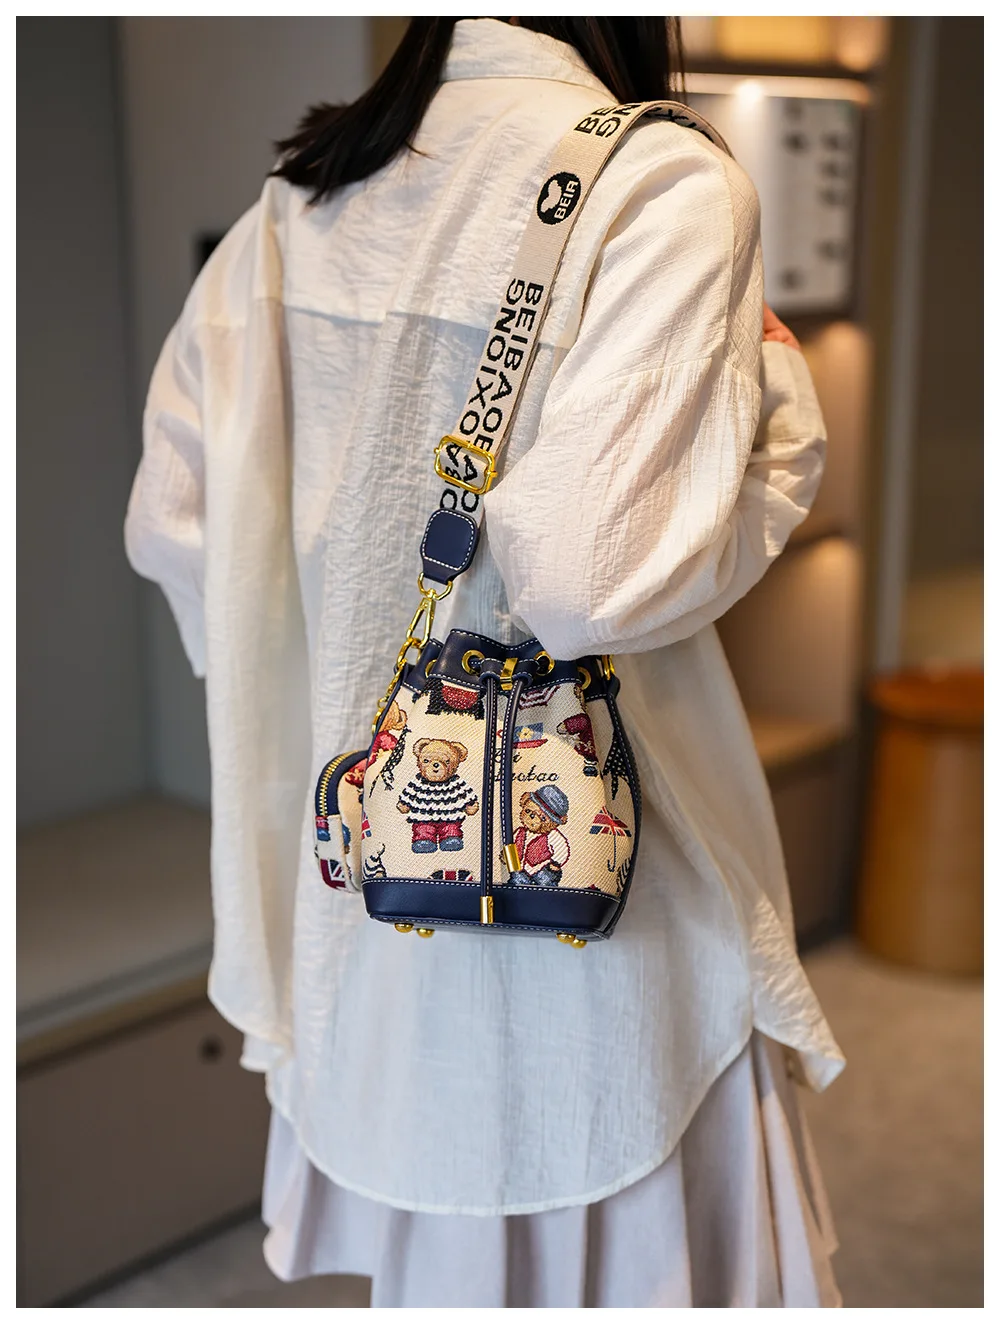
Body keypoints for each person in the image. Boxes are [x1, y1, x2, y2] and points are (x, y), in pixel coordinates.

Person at [125, 17, 845, 1308]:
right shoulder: (663, 185)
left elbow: (173, 529)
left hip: (369, 946)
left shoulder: (292, 209)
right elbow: (588, 582)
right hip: (614, 976)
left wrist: (328, 678)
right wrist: (778, 438)